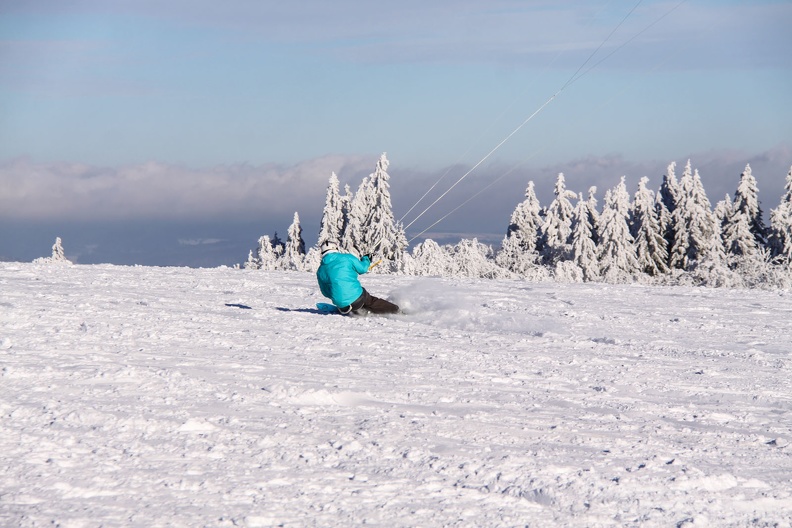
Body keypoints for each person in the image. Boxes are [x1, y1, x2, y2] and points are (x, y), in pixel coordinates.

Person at [316, 241, 400, 315]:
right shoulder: (347, 258)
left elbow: (325, 292)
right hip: (357, 298)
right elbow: (363, 269)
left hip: (341, 305)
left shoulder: (320, 270)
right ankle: (396, 310)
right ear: (335, 248)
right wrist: (366, 259)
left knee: (355, 299)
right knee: (370, 301)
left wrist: (340, 297)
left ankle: (355, 310)